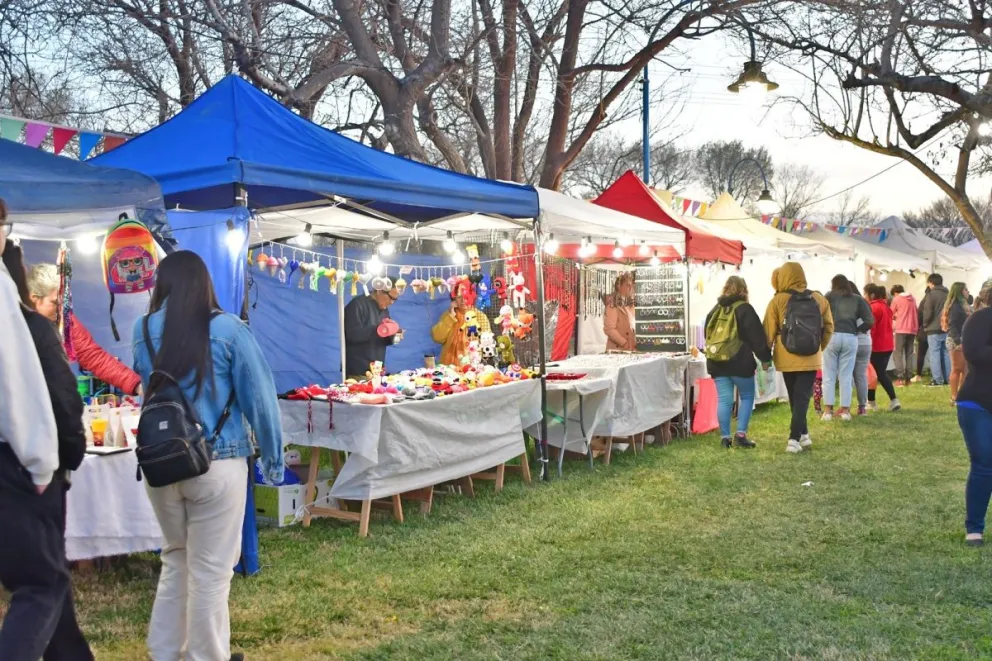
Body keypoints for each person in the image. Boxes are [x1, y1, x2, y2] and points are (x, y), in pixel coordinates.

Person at [132, 251, 284, 661]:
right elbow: (261, 400)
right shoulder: (229, 330)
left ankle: (165, 653)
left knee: (176, 559)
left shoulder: (141, 330)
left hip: (161, 462)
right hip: (217, 460)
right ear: (204, 284)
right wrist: (273, 460)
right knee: (212, 574)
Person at [3, 242, 94, 659]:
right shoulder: (28, 330)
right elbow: (64, 400)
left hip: (22, 466)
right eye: (56, 300)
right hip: (25, 470)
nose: (60, 306)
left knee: (49, 572)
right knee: (41, 582)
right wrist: (67, 457)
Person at [28, 262, 142, 396]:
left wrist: (137, 385)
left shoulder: (65, 321)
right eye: (54, 303)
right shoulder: (10, 321)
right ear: (34, 298)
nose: (61, 309)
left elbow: (93, 356)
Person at [763, 262, 834, 453]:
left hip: (786, 356)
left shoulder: (778, 301)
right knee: (801, 397)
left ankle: (793, 439)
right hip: (811, 356)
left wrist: (764, 356)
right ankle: (803, 435)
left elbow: (768, 332)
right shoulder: (818, 298)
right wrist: (818, 347)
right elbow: (829, 327)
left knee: (796, 397)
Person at [703, 275, 771, 449]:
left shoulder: (715, 310)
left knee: (724, 400)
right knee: (747, 397)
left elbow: (708, 335)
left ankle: (725, 438)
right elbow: (757, 338)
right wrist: (765, 358)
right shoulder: (745, 309)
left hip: (717, 363)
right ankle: (740, 435)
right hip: (740, 362)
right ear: (744, 290)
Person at [956, 282, 992, 546]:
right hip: (978, 403)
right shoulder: (980, 319)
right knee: (984, 464)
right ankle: (974, 529)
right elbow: (974, 352)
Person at [821, 275, 873, 421]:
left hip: (831, 336)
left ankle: (828, 411)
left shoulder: (829, 296)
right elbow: (870, 320)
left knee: (829, 375)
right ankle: (845, 411)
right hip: (850, 337)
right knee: (846, 375)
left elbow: (820, 315)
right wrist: (858, 329)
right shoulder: (857, 299)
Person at [343, 281, 401, 379]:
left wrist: (394, 336)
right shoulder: (357, 304)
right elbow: (352, 335)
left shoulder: (384, 310)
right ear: (379, 290)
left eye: (395, 300)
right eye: (390, 298)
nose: (391, 302)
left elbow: (382, 338)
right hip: (359, 371)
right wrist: (378, 329)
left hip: (377, 370)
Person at [432, 287, 492, 365]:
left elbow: (487, 344)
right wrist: (451, 317)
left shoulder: (480, 317)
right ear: (454, 299)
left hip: (472, 367)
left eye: (466, 295)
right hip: (448, 366)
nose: (463, 300)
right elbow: (437, 338)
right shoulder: (448, 315)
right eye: (459, 297)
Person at [866, 284, 900, 411]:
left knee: (873, 374)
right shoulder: (886, 307)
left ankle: (872, 402)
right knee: (880, 373)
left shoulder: (873, 308)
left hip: (877, 346)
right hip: (888, 345)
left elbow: (872, 329)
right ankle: (892, 399)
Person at [943, 282, 971, 405]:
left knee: (965, 369)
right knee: (957, 369)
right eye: (965, 289)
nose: (968, 292)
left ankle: (962, 395)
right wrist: (958, 341)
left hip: (963, 340)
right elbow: (952, 325)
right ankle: (954, 397)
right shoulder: (955, 306)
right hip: (956, 340)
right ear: (960, 291)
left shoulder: (963, 305)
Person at [922, 273, 951, 386]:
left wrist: (925, 324)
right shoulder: (948, 294)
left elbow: (928, 312)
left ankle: (937, 379)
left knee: (934, 353)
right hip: (946, 328)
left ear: (931, 282)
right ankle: (948, 378)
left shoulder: (931, 295)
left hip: (933, 329)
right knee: (946, 353)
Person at [890, 284, 918, 386]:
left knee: (898, 353)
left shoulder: (897, 299)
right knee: (909, 354)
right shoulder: (913, 299)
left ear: (895, 293)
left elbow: (890, 313)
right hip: (912, 329)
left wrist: (896, 316)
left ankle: (900, 377)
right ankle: (908, 379)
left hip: (901, 328)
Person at [851, 281, 873, 415]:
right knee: (861, 376)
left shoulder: (848, 305)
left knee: (846, 375)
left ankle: (845, 407)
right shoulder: (864, 304)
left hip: (852, 341)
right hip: (866, 342)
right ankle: (862, 407)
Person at [604, 272, 637, 351]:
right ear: (619, 286)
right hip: (619, 350)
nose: (630, 287)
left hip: (631, 349)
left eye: (632, 285)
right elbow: (609, 329)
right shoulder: (613, 305)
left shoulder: (631, 305)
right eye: (627, 285)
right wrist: (624, 343)